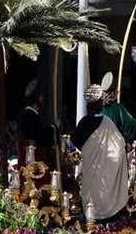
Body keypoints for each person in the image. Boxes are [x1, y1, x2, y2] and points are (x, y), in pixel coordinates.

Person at [70, 79, 129, 220]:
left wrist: (87, 151)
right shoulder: (107, 122)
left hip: (89, 169)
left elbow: (73, 142)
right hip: (105, 172)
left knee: (90, 196)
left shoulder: (84, 122)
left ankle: (90, 218)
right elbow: (120, 145)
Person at [18, 80, 57, 164]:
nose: (43, 98)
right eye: (41, 96)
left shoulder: (28, 113)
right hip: (32, 156)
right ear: (36, 98)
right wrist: (54, 128)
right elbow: (39, 137)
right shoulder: (30, 114)